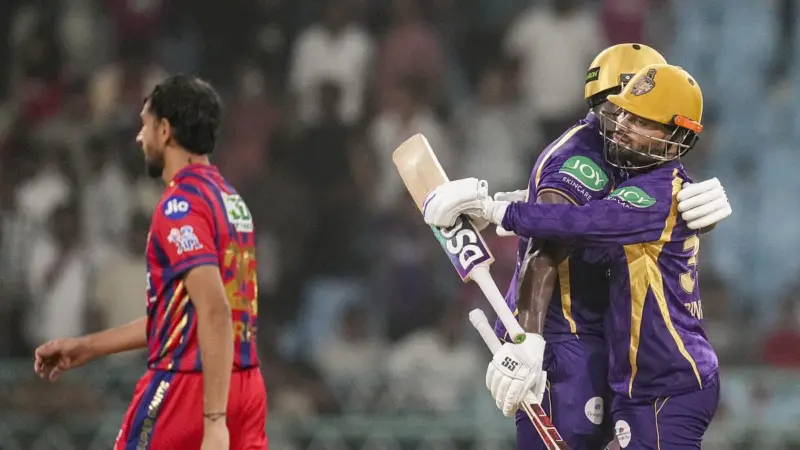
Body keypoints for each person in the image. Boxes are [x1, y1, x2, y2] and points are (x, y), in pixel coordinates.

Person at [425, 63, 727, 449]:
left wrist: (494, 209)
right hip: (636, 385)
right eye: (624, 114)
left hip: (670, 384)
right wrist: (520, 201)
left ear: (676, 138)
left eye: (641, 122)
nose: (622, 126)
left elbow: (579, 222)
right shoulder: (645, 185)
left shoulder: (657, 195)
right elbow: (586, 227)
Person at [33, 75, 267, 450]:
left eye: (145, 124)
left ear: (165, 129)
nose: (140, 138)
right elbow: (182, 319)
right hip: (244, 384)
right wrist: (88, 347)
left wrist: (214, 422)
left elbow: (214, 310)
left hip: (190, 385)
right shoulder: (230, 200)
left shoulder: (179, 205)